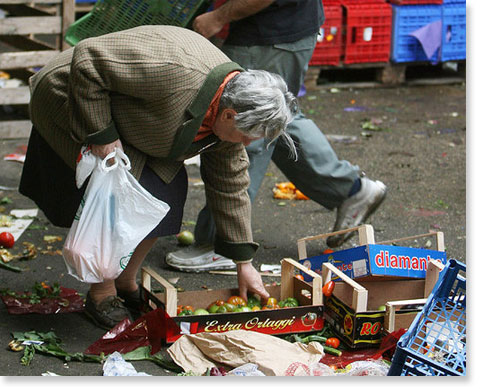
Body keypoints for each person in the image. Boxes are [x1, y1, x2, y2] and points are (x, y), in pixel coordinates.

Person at [18, 25, 298, 329]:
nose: (247, 144)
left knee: (167, 191)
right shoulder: (174, 72)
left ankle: (125, 280)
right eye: (247, 136)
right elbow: (87, 60)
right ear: (228, 115)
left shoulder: (229, 113)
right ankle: (102, 293)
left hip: (136, 120)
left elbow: (231, 186)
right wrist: (101, 133)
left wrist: (244, 264)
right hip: (72, 94)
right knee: (122, 192)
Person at [166, 0, 387, 272]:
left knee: (243, 128)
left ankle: (222, 244)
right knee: (273, 117)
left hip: (271, 32)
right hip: (277, 29)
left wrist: (218, 17)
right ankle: (350, 190)